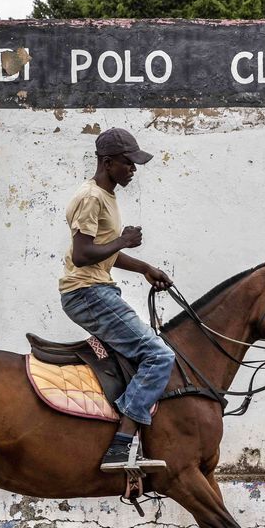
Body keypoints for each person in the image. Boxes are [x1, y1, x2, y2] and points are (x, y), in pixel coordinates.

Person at [58, 128, 176, 471]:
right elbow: (82, 255)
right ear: (107, 163)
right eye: (128, 163)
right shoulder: (91, 197)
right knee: (158, 355)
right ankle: (122, 442)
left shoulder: (106, 196)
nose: (133, 170)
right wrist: (123, 242)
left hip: (97, 289)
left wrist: (143, 268)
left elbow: (100, 251)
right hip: (87, 293)